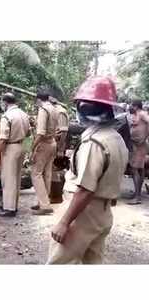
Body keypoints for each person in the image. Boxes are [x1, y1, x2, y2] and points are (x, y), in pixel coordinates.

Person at [47, 76, 128, 264]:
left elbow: (85, 189)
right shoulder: (116, 138)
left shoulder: (94, 142)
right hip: (103, 212)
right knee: (92, 262)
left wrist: (64, 223)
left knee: (60, 263)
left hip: (84, 213)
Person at [0, 93, 30, 217]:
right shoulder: (24, 114)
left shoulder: (7, 116)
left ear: (5, 102)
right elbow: (28, 132)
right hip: (21, 146)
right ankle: (13, 204)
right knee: (17, 177)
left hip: (10, 147)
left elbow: (3, 138)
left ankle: (9, 208)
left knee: (8, 178)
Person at [30, 88, 59, 215]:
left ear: (38, 99)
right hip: (52, 143)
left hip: (44, 144)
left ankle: (44, 204)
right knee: (46, 173)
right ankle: (44, 201)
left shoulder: (43, 110)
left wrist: (33, 147)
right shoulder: (54, 108)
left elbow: (40, 133)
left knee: (36, 173)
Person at [128, 100, 149, 204]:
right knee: (139, 169)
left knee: (135, 169)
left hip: (140, 145)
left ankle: (137, 197)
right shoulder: (136, 115)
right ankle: (137, 193)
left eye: (131, 105)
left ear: (136, 106)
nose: (130, 107)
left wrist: (145, 137)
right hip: (136, 145)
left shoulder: (142, 114)